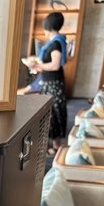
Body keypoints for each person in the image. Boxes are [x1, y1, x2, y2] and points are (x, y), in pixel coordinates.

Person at [30, 12, 68, 155]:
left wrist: (36, 66)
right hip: (50, 82)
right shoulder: (57, 41)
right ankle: (55, 146)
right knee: (52, 113)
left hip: (53, 84)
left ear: (48, 27)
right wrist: (37, 65)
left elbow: (55, 65)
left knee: (53, 113)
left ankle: (54, 146)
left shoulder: (56, 43)